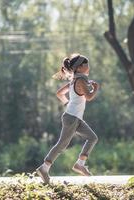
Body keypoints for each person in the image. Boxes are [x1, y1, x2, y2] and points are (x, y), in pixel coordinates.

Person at [36, 53, 100, 184]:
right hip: (71, 118)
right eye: (86, 64)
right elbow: (88, 97)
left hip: (75, 117)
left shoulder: (74, 80)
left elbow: (59, 93)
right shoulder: (80, 80)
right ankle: (44, 168)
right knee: (62, 144)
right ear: (80, 67)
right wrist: (96, 89)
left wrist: (67, 103)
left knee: (92, 138)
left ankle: (80, 164)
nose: (89, 66)